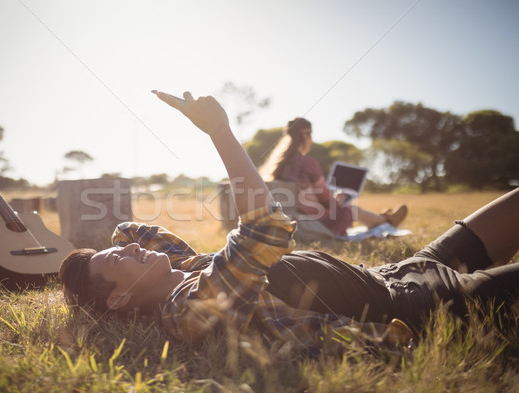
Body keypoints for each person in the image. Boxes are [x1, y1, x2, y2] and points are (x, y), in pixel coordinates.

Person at [59, 91, 519, 355]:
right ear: (119, 297)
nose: (128, 248)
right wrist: (220, 131)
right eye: (118, 260)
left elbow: (131, 230)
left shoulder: (187, 265)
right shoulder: (187, 310)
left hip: (402, 270)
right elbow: (264, 231)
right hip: (427, 309)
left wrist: (92, 260)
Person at [258, 117, 407, 236]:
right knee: (347, 207)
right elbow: (325, 199)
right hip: (313, 216)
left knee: (345, 206)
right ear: (306, 134)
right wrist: (338, 198)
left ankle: (383, 218)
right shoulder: (307, 163)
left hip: (292, 214)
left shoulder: (278, 164)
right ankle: (386, 221)